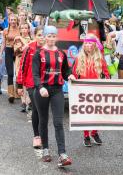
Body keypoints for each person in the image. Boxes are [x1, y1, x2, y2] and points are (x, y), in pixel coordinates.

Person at [32, 25, 72, 167]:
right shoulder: (39, 53)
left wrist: (70, 75)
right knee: (43, 120)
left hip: (57, 90)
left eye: (53, 36)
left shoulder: (61, 53)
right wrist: (40, 87)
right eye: (48, 36)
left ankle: (62, 154)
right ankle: (46, 149)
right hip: (42, 90)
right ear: (45, 37)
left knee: (58, 122)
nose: (51, 38)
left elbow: (66, 70)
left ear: (56, 37)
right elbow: (35, 74)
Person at [69, 34, 110, 147]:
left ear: (94, 45)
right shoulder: (79, 58)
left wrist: (106, 80)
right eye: (86, 43)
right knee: (86, 113)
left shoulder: (100, 58)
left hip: (97, 90)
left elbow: (106, 73)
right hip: (83, 90)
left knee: (97, 112)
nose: (88, 45)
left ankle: (94, 132)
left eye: (90, 43)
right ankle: (86, 135)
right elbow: (74, 74)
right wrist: (72, 77)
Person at [17, 26, 45, 149]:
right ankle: (37, 136)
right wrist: (19, 84)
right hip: (31, 83)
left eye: (44, 35)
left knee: (43, 111)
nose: (42, 37)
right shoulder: (29, 48)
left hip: (45, 84)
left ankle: (43, 135)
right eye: (39, 35)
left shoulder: (50, 49)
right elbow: (22, 66)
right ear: (35, 36)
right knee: (36, 108)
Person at [0, 14, 20, 103]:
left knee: (18, 72)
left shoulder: (20, 29)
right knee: (10, 73)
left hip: (18, 51)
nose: (13, 21)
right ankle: (11, 94)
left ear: (17, 20)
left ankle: (17, 92)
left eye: (14, 20)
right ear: (9, 20)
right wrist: (0, 54)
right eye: (11, 20)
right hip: (8, 51)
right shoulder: (5, 30)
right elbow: (3, 43)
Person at [14, 23, 32, 112]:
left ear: (29, 29)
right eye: (22, 28)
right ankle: (23, 102)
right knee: (21, 81)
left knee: (28, 82)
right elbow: (20, 50)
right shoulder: (17, 39)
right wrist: (23, 41)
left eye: (26, 28)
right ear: (20, 30)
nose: (24, 30)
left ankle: (29, 101)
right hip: (20, 62)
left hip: (29, 63)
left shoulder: (32, 39)